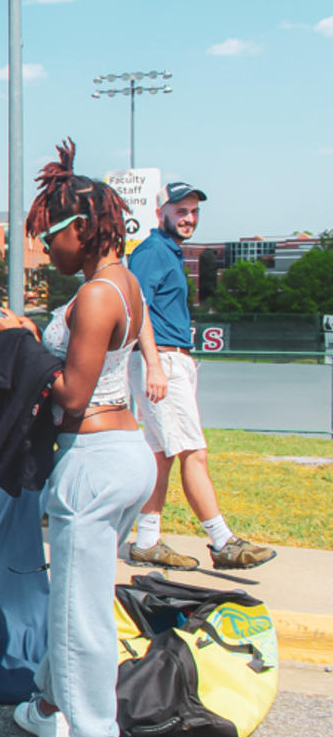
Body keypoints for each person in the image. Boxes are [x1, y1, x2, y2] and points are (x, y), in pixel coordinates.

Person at [0, 139, 157, 737]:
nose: (42, 251)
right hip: (121, 456)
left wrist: (18, 342)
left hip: (94, 459)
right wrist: (25, 331)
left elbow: (69, 394)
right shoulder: (121, 284)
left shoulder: (95, 298)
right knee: (73, 600)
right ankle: (50, 707)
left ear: (80, 228)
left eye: (46, 236)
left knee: (81, 613)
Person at [126, 183, 276, 570]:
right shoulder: (153, 252)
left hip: (173, 361)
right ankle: (222, 541)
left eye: (193, 212)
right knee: (195, 451)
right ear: (162, 212)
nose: (189, 218)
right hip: (162, 361)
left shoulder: (170, 252)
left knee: (161, 456)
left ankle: (146, 541)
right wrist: (155, 363)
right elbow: (135, 306)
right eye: (181, 211)